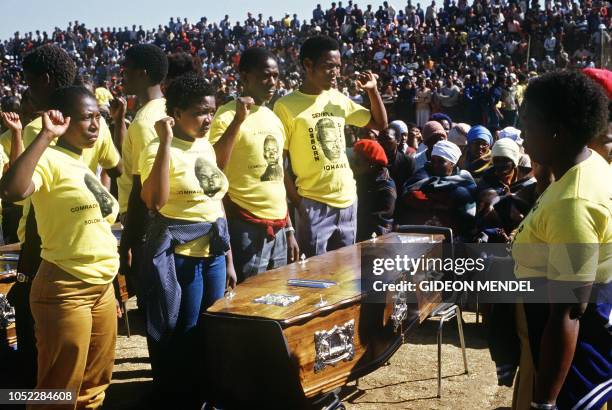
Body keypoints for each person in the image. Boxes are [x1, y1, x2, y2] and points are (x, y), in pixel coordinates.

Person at [7, 45, 122, 390]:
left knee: (95, 384)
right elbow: (13, 190)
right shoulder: (49, 157)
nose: (96, 125)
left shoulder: (80, 163)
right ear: (62, 119)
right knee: (58, 390)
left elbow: (115, 175)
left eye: (98, 118)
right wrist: (44, 135)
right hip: (65, 286)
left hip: (101, 284)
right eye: (88, 118)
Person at [511, 71, 611, 410]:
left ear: (557, 132)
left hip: (563, 352)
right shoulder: (586, 162)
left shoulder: (574, 203)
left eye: (528, 123)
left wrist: (546, 402)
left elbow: (569, 310)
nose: (522, 133)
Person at [139, 73, 236, 408]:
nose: (207, 118)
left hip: (214, 253)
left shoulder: (205, 145)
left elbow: (215, 200)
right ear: (176, 113)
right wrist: (165, 143)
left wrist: (229, 258)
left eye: (210, 111)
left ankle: (208, 395)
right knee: (187, 329)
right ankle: (185, 397)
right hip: (180, 255)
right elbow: (155, 201)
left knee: (213, 328)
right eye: (199, 112)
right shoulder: (156, 147)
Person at [274, 35, 387, 256]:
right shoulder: (285, 106)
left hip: (347, 200)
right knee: (314, 275)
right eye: (328, 66)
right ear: (308, 64)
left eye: (337, 67)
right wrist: (297, 200)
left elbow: (379, 123)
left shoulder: (338, 98)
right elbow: (280, 160)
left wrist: (372, 90)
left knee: (345, 272)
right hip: (313, 203)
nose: (335, 73)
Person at [209, 48, 299, 282]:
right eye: (265, 76)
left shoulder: (274, 119)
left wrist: (289, 229)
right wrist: (239, 121)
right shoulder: (226, 116)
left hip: (279, 229)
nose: (272, 82)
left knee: (277, 297)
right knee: (248, 302)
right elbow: (213, 167)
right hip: (244, 227)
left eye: (275, 76)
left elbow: (277, 179)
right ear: (245, 77)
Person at [119, 44, 168, 306]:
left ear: (143, 73)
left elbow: (143, 189)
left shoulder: (145, 121)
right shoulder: (170, 108)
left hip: (149, 227)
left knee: (155, 311)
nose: (122, 76)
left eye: (126, 70)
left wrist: (129, 241)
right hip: (166, 223)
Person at [400, 140, 477, 238]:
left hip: (457, 232)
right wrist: (437, 204)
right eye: (433, 160)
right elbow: (408, 194)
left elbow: (468, 206)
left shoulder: (464, 178)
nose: (435, 165)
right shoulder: (422, 174)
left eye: (441, 161)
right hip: (424, 229)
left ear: (452, 164)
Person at [352, 139, 396, 241]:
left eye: (357, 161)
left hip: (376, 239)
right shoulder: (361, 177)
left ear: (371, 164)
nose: (353, 164)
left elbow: (379, 221)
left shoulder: (385, 186)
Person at [376, 125, 415, 198]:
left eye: (388, 139)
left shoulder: (407, 162)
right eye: (380, 140)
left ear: (398, 141)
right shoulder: (374, 161)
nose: (383, 143)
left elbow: (409, 188)